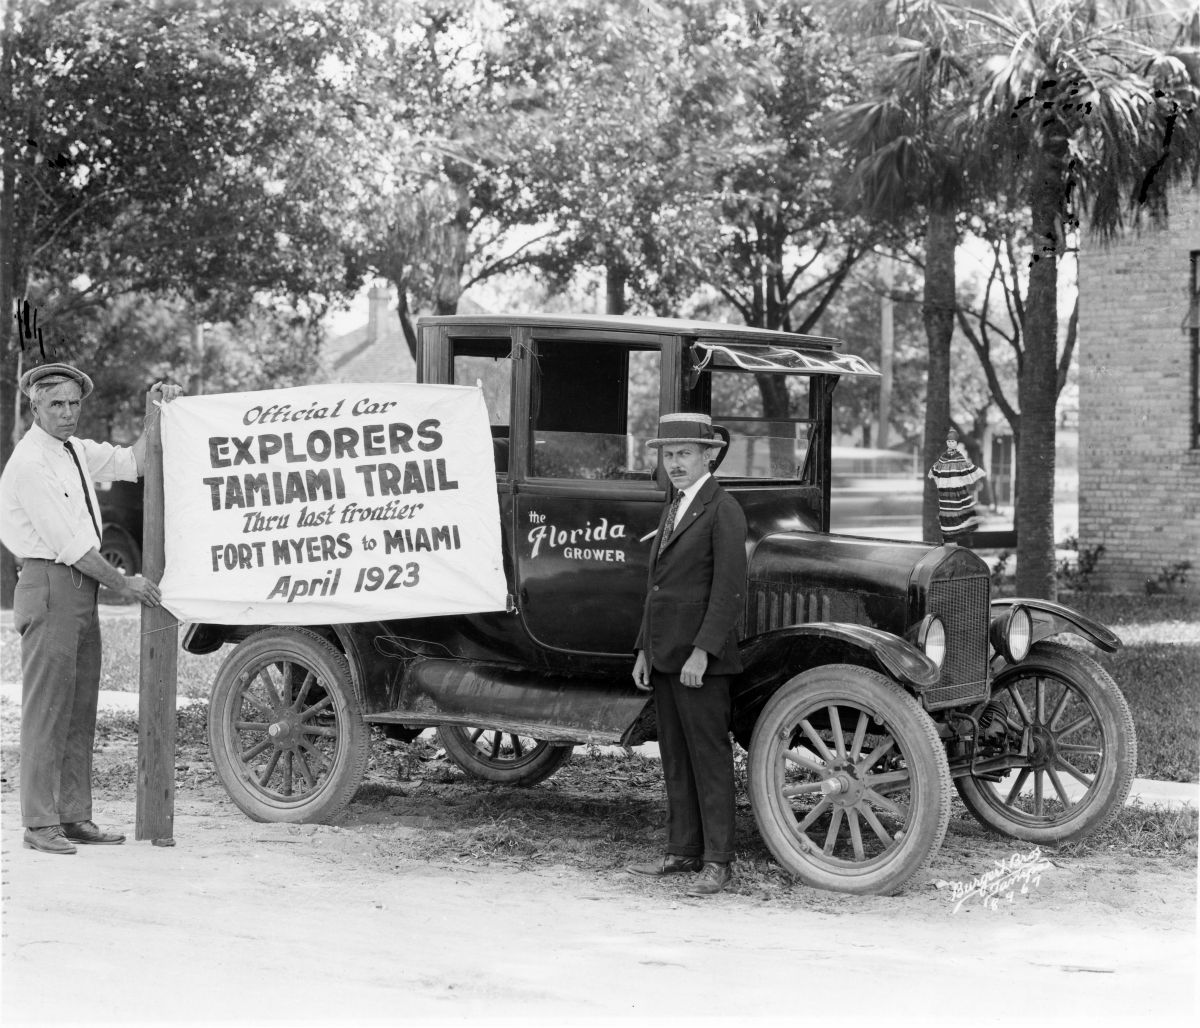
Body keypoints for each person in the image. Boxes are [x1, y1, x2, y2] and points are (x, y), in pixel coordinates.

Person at [0, 362, 183, 855]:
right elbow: (74, 548)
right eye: (55, 404)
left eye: (73, 404)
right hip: (50, 584)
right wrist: (126, 583)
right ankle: (39, 824)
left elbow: (135, 462)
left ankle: (74, 816)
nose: (66, 414)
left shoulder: (75, 450)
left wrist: (159, 411)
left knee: (80, 710)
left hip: (81, 592)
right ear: (34, 406)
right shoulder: (30, 463)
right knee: (47, 710)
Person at [627, 413, 747, 897]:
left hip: (701, 661)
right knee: (675, 756)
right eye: (668, 455)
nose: (674, 463)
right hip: (664, 655)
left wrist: (702, 652)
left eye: (683, 455)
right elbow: (657, 585)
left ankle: (718, 862)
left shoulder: (723, 509)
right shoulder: (675, 504)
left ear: (708, 457)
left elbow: (729, 590)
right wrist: (643, 648)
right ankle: (683, 850)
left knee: (708, 759)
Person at [927, 427, 987, 546]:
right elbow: (937, 468)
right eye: (949, 442)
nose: (951, 443)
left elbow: (965, 467)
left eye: (953, 442)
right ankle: (953, 536)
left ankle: (961, 534)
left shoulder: (959, 456)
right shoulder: (945, 457)